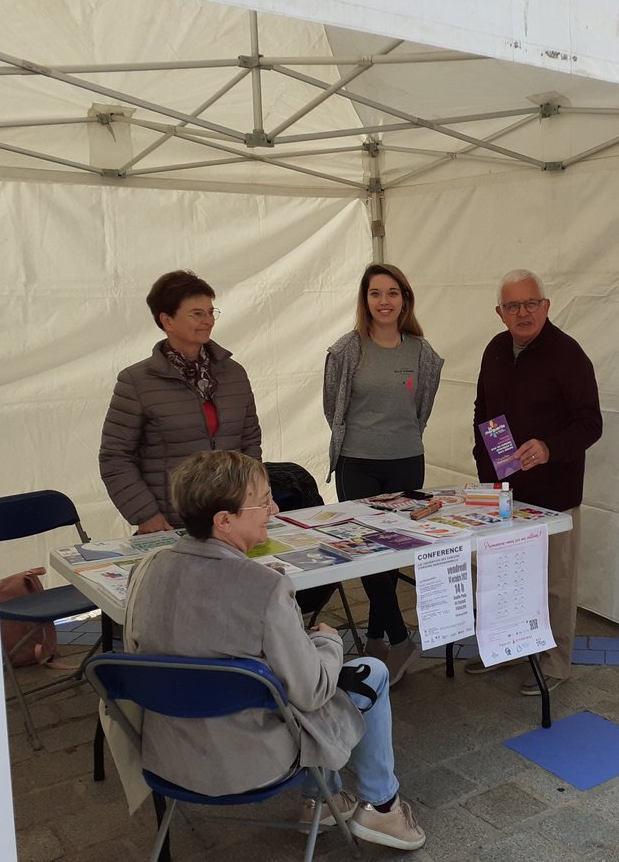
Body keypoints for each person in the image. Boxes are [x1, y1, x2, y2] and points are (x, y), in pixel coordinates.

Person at [124, 450, 425, 851]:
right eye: (263, 501)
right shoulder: (264, 587)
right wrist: (327, 640)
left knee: (274, 677)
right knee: (371, 671)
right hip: (250, 760)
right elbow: (312, 691)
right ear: (224, 520)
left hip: (167, 758)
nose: (274, 509)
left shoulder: (145, 569)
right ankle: (380, 808)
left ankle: (326, 798)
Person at [469, 269, 603, 695]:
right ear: (500, 312)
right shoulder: (494, 349)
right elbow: (482, 412)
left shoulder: (568, 355)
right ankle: (505, 649)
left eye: (531, 303)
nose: (523, 312)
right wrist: (486, 468)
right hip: (504, 491)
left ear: (546, 306)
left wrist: (549, 447)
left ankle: (555, 663)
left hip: (555, 494)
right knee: (502, 576)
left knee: (555, 584)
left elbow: (590, 423)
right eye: (513, 305)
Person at [323, 263, 444, 685]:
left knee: (391, 555)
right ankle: (399, 637)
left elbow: (421, 408)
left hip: (405, 462)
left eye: (393, 293)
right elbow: (332, 408)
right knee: (368, 554)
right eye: (376, 293)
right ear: (365, 300)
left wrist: (397, 437)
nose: (385, 301)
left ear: (405, 300)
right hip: (357, 464)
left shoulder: (422, 353)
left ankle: (377, 639)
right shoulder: (346, 350)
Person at [100, 270, 261, 533]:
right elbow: (115, 457)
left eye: (211, 312)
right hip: (169, 523)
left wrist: (250, 499)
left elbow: (250, 441)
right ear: (167, 320)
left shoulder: (234, 373)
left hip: (230, 517)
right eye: (197, 313)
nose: (208, 321)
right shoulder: (136, 381)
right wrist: (145, 514)